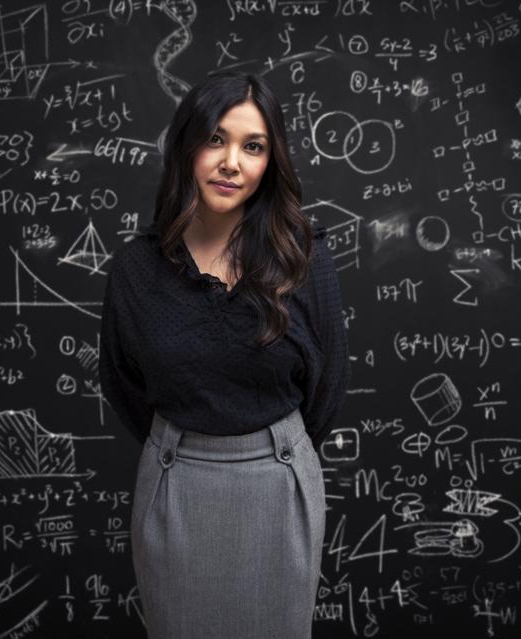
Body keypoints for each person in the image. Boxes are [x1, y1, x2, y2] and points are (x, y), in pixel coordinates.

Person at [98, 70, 351, 639]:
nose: (231, 161)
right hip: (176, 484)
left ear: (270, 163)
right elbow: (122, 382)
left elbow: (327, 389)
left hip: (279, 484)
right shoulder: (136, 269)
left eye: (252, 147)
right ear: (187, 145)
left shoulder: (305, 261)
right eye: (216, 139)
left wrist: (268, 451)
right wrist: (185, 446)